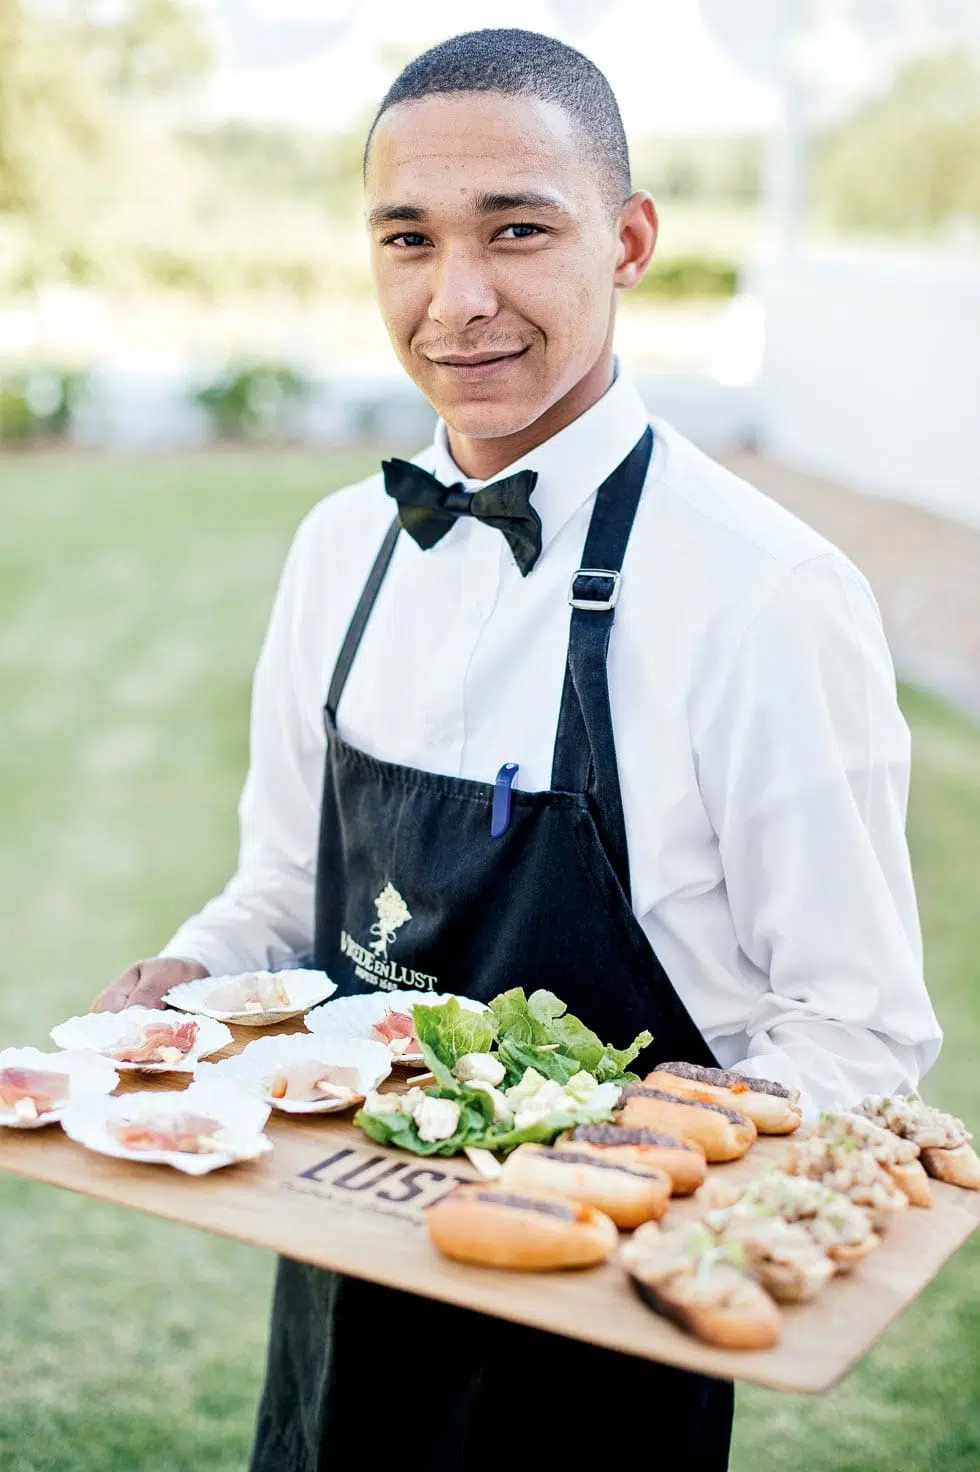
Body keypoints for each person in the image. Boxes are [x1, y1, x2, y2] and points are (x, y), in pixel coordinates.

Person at [94, 27, 942, 1471]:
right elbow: (282, 902)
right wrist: (184, 980)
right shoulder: (338, 548)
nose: (456, 298)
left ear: (629, 240)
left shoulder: (766, 595)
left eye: (517, 231)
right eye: (408, 239)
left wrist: (606, 1153)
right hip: (337, 1285)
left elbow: (861, 1032)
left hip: (608, 1337)